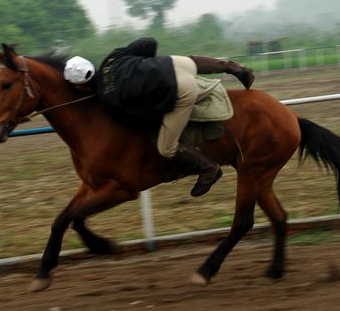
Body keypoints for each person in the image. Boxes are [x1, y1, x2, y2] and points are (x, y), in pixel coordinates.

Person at [64, 38, 254, 197]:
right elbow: (148, 42)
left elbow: (144, 118)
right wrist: (149, 68)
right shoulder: (113, 57)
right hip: (174, 65)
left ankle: (209, 169)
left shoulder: (107, 99)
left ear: (80, 87)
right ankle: (234, 68)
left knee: (166, 147)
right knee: (186, 61)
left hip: (183, 89)